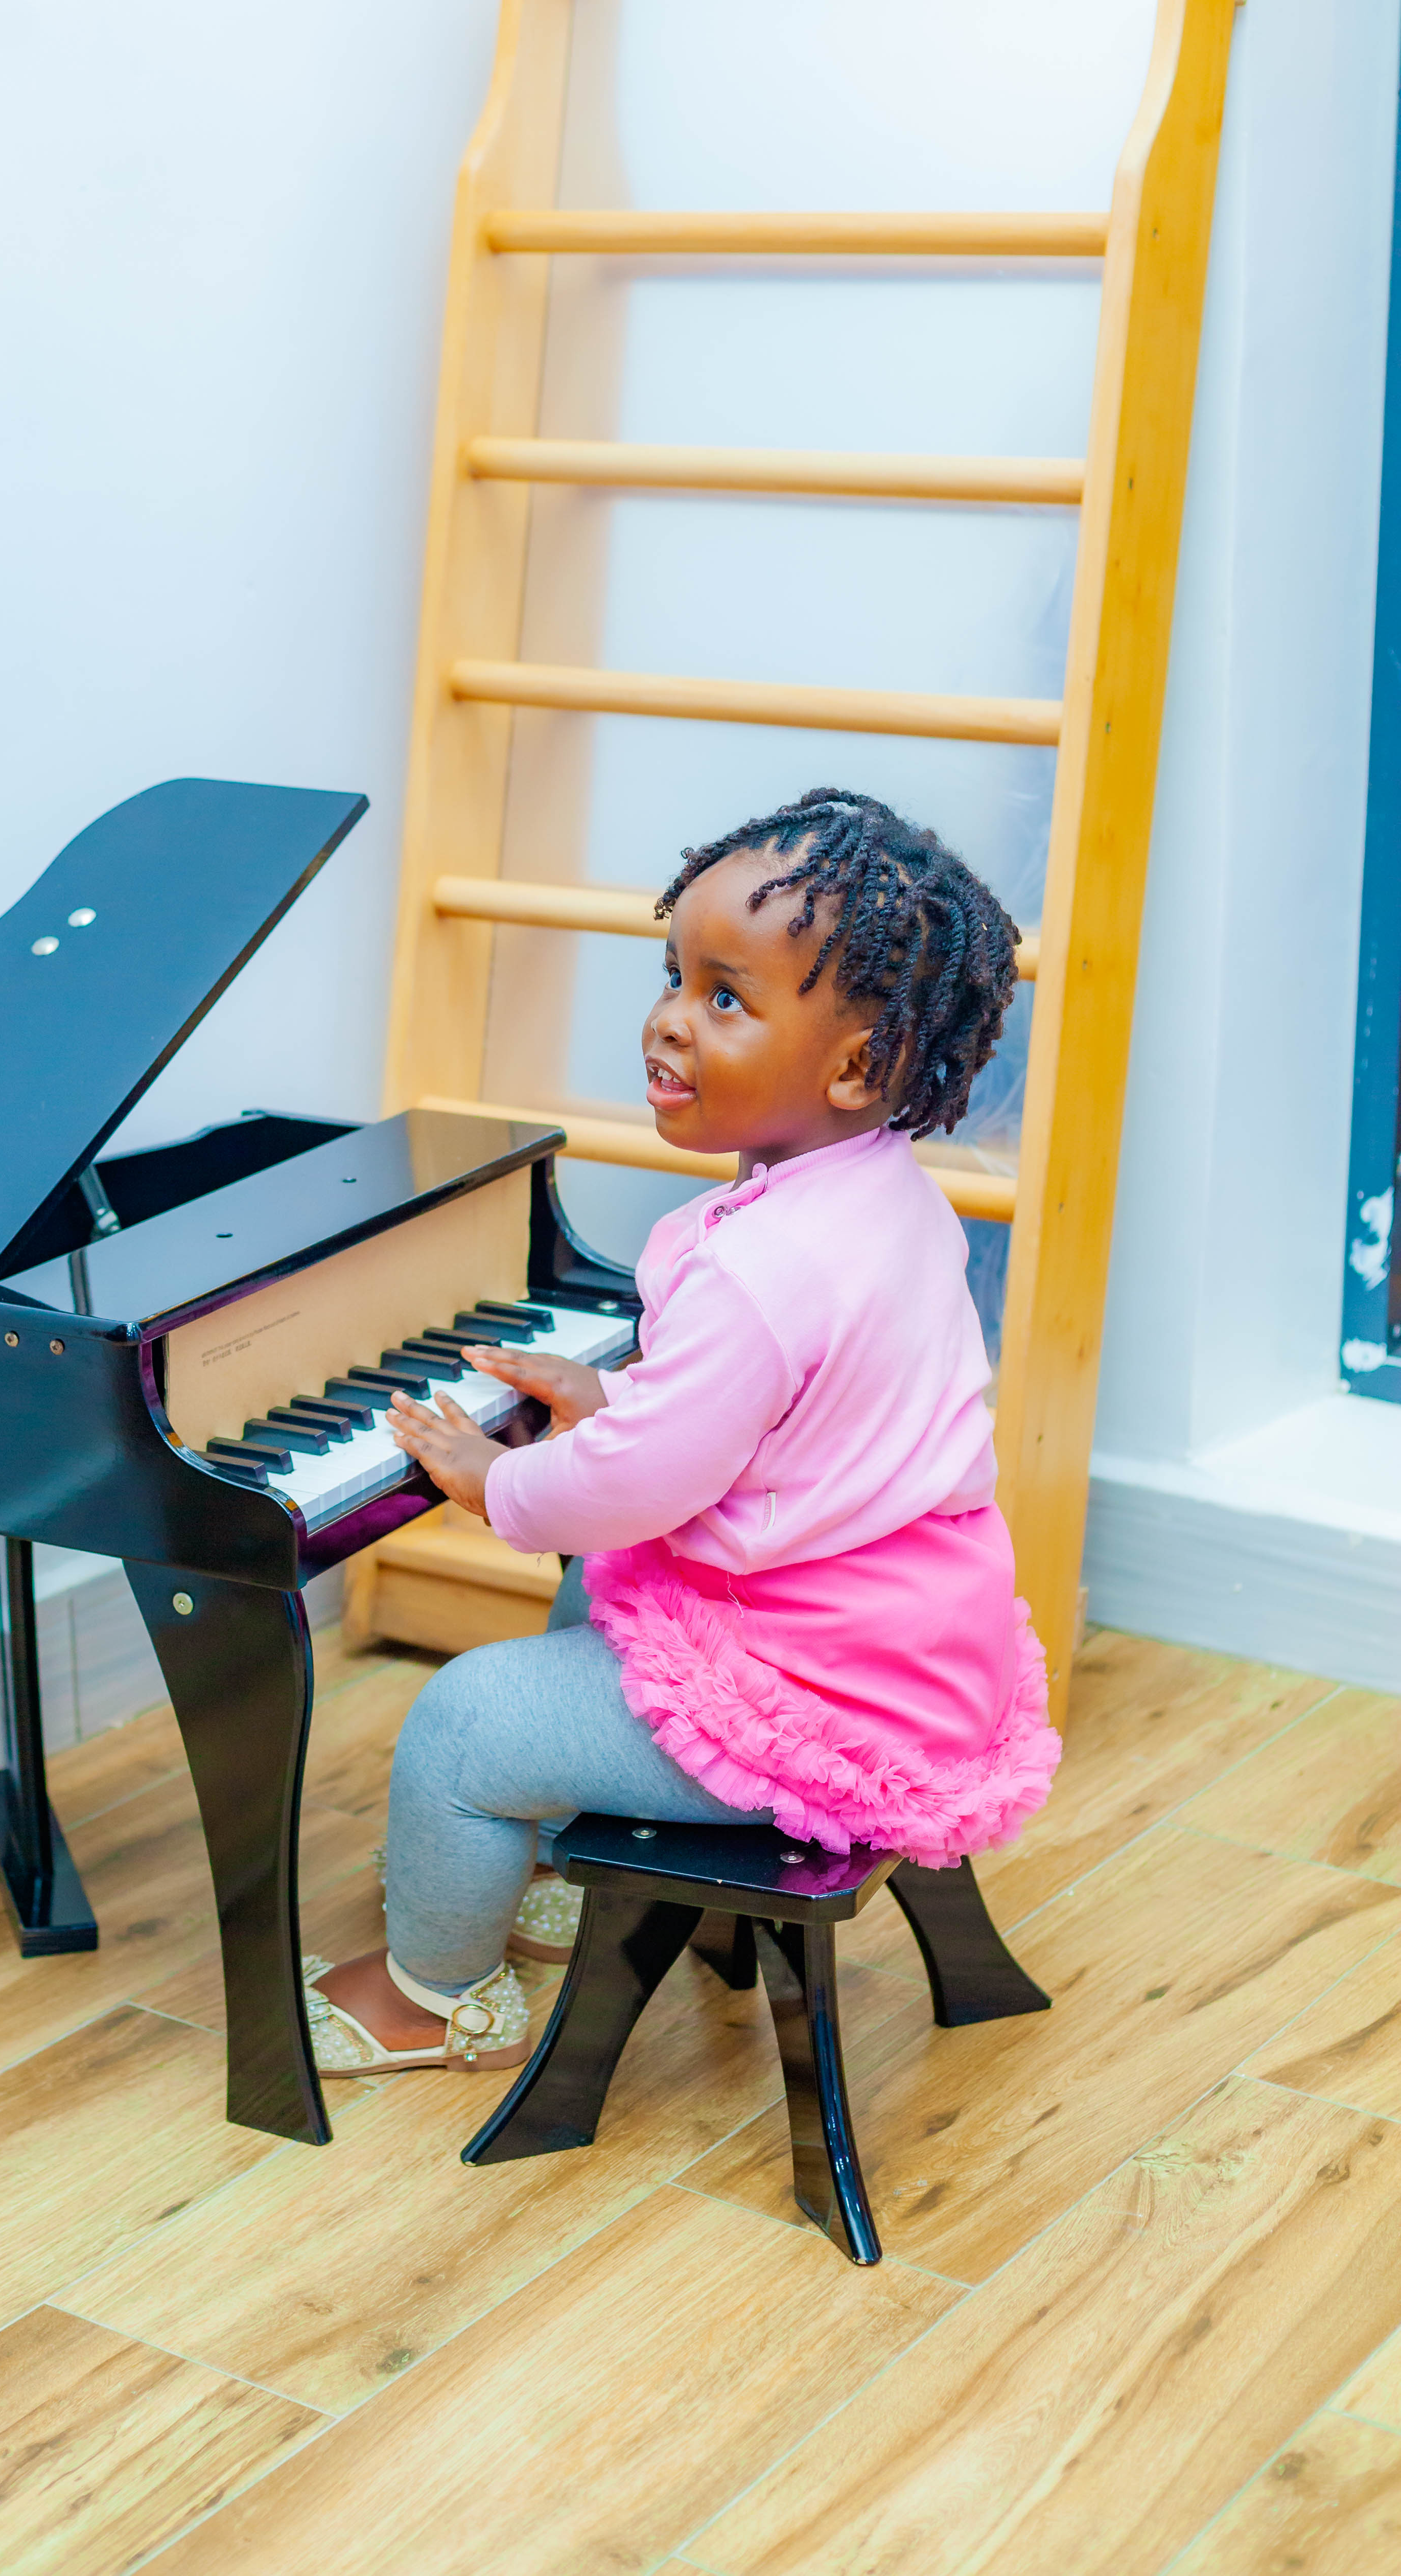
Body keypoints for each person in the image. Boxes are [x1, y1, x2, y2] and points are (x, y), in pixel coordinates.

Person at [303, 788, 1062, 2078]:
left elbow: (638, 1489)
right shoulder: (893, 1203)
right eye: (675, 975)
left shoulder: (758, 1272)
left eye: (726, 999)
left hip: (822, 1699)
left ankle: (436, 1995)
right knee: (600, 1597)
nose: (667, 1018)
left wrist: (499, 1478)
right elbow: (804, 1437)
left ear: (857, 1066)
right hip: (907, 1649)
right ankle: (547, 1869)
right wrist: (613, 1406)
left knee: (466, 1723)